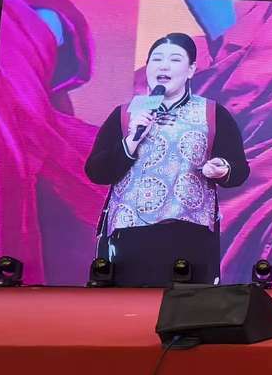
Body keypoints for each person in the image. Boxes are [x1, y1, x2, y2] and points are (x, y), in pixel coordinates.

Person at [84, 32, 249, 286]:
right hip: (129, 235)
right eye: (157, 59)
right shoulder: (126, 114)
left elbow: (239, 169)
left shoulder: (212, 113)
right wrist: (131, 141)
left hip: (189, 234)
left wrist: (223, 169)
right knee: (128, 304)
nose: (163, 66)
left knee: (185, 305)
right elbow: (96, 171)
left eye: (174, 60)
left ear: (191, 69)